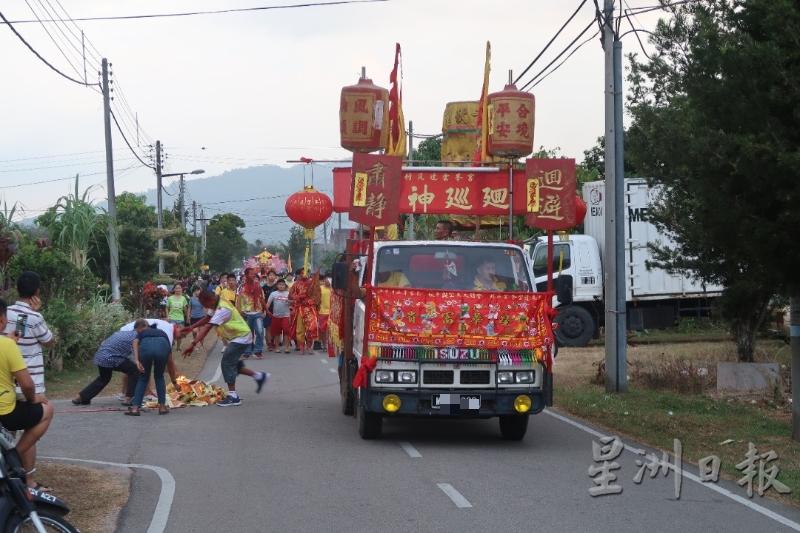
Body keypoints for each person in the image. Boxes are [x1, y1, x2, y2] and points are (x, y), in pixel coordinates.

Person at [0, 298, 54, 492]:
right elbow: (49, 341)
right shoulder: (30, 318)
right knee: (42, 414)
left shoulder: (8, 334)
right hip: (15, 396)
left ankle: (11, 472)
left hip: (10, 387)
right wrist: (33, 398)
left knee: (6, 437)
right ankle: (21, 470)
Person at [182, 291, 268, 406]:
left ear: (209, 300)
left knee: (227, 363)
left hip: (241, 337)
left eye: (204, 304)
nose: (204, 307)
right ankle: (259, 376)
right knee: (233, 364)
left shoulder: (222, 309)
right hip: (237, 336)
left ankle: (233, 396)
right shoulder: (216, 303)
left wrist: (193, 344)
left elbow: (208, 326)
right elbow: (207, 318)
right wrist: (191, 327)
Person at [5, 271, 55, 402]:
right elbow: (49, 342)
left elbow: (18, 335)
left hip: (6, 385)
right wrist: (35, 313)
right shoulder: (34, 317)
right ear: (37, 292)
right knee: (43, 414)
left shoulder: (5, 312)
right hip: (29, 385)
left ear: (17, 289)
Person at [73, 329, 139, 406]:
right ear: (140, 328)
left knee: (103, 378)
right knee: (134, 370)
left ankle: (81, 397)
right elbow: (135, 353)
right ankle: (128, 398)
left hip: (100, 356)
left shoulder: (122, 333)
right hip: (111, 358)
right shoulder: (137, 336)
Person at [126, 320, 172, 416]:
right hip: (162, 347)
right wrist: (174, 379)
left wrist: (137, 360)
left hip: (146, 348)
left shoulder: (143, 332)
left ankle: (135, 409)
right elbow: (169, 354)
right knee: (159, 377)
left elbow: (135, 341)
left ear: (142, 327)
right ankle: (162, 407)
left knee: (143, 378)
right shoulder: (162, 332)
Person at [236, 266, 266, 359]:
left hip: (257, 313)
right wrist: (240, 313)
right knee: (247, 334)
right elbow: (238, 301)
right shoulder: (241, 287)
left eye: (253, 274)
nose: (252, 276)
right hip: (246, 314)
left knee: (260, 332)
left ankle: (258, 351)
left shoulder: (258, 286)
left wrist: (264, 311)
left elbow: (262, 299)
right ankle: (247, 352)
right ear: (246, 275)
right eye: (250, 274)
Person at [288, 268, 320, 354]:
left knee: (312, 328)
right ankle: (301, 347)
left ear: (309, 274)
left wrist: (310, 301)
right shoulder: (296, 284)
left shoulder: (313, 284)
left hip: (310, 309)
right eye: (302, 273)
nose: (304, 275)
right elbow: (290, 295)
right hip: (300, 309)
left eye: (305, 273)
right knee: (300, 330)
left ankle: (309, 347)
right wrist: (297, 297)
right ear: (299, 274)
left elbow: (317, 296)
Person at [267, 279, 291, 353]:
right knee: (277, 333)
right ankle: (277, 347)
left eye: (283, 285)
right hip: (276, 316)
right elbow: (268, 303)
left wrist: (290, 301)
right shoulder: (273, 294)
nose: (281, 286)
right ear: (277, 286)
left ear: (285, 286)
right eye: (280, 285)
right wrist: (266, 311)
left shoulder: (288, 293)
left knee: (286, 331)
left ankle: (287, 347)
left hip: (286, 316)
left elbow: (293, 303)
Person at [261, 270, 279, 351]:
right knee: (268, 327)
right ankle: (269, 344)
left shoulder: (278, 287)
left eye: (273, 275)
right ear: (267, 276)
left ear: (275, 277)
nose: (271, 276)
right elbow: (262, 299)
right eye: (270, 275)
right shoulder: (263, 287)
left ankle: (275, 342)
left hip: (277, 309)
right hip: (267, 309)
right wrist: (264, 310)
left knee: (274, 327)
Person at [317, 276, 332, 350]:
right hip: (322, 312)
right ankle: (324, 344)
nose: (328, 281)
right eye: (326, 279)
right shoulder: (320, 288)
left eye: (329, 280)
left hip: (332, 312)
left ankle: (328, 345)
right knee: (322, 330)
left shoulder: (333, 289)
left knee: (330, 330)